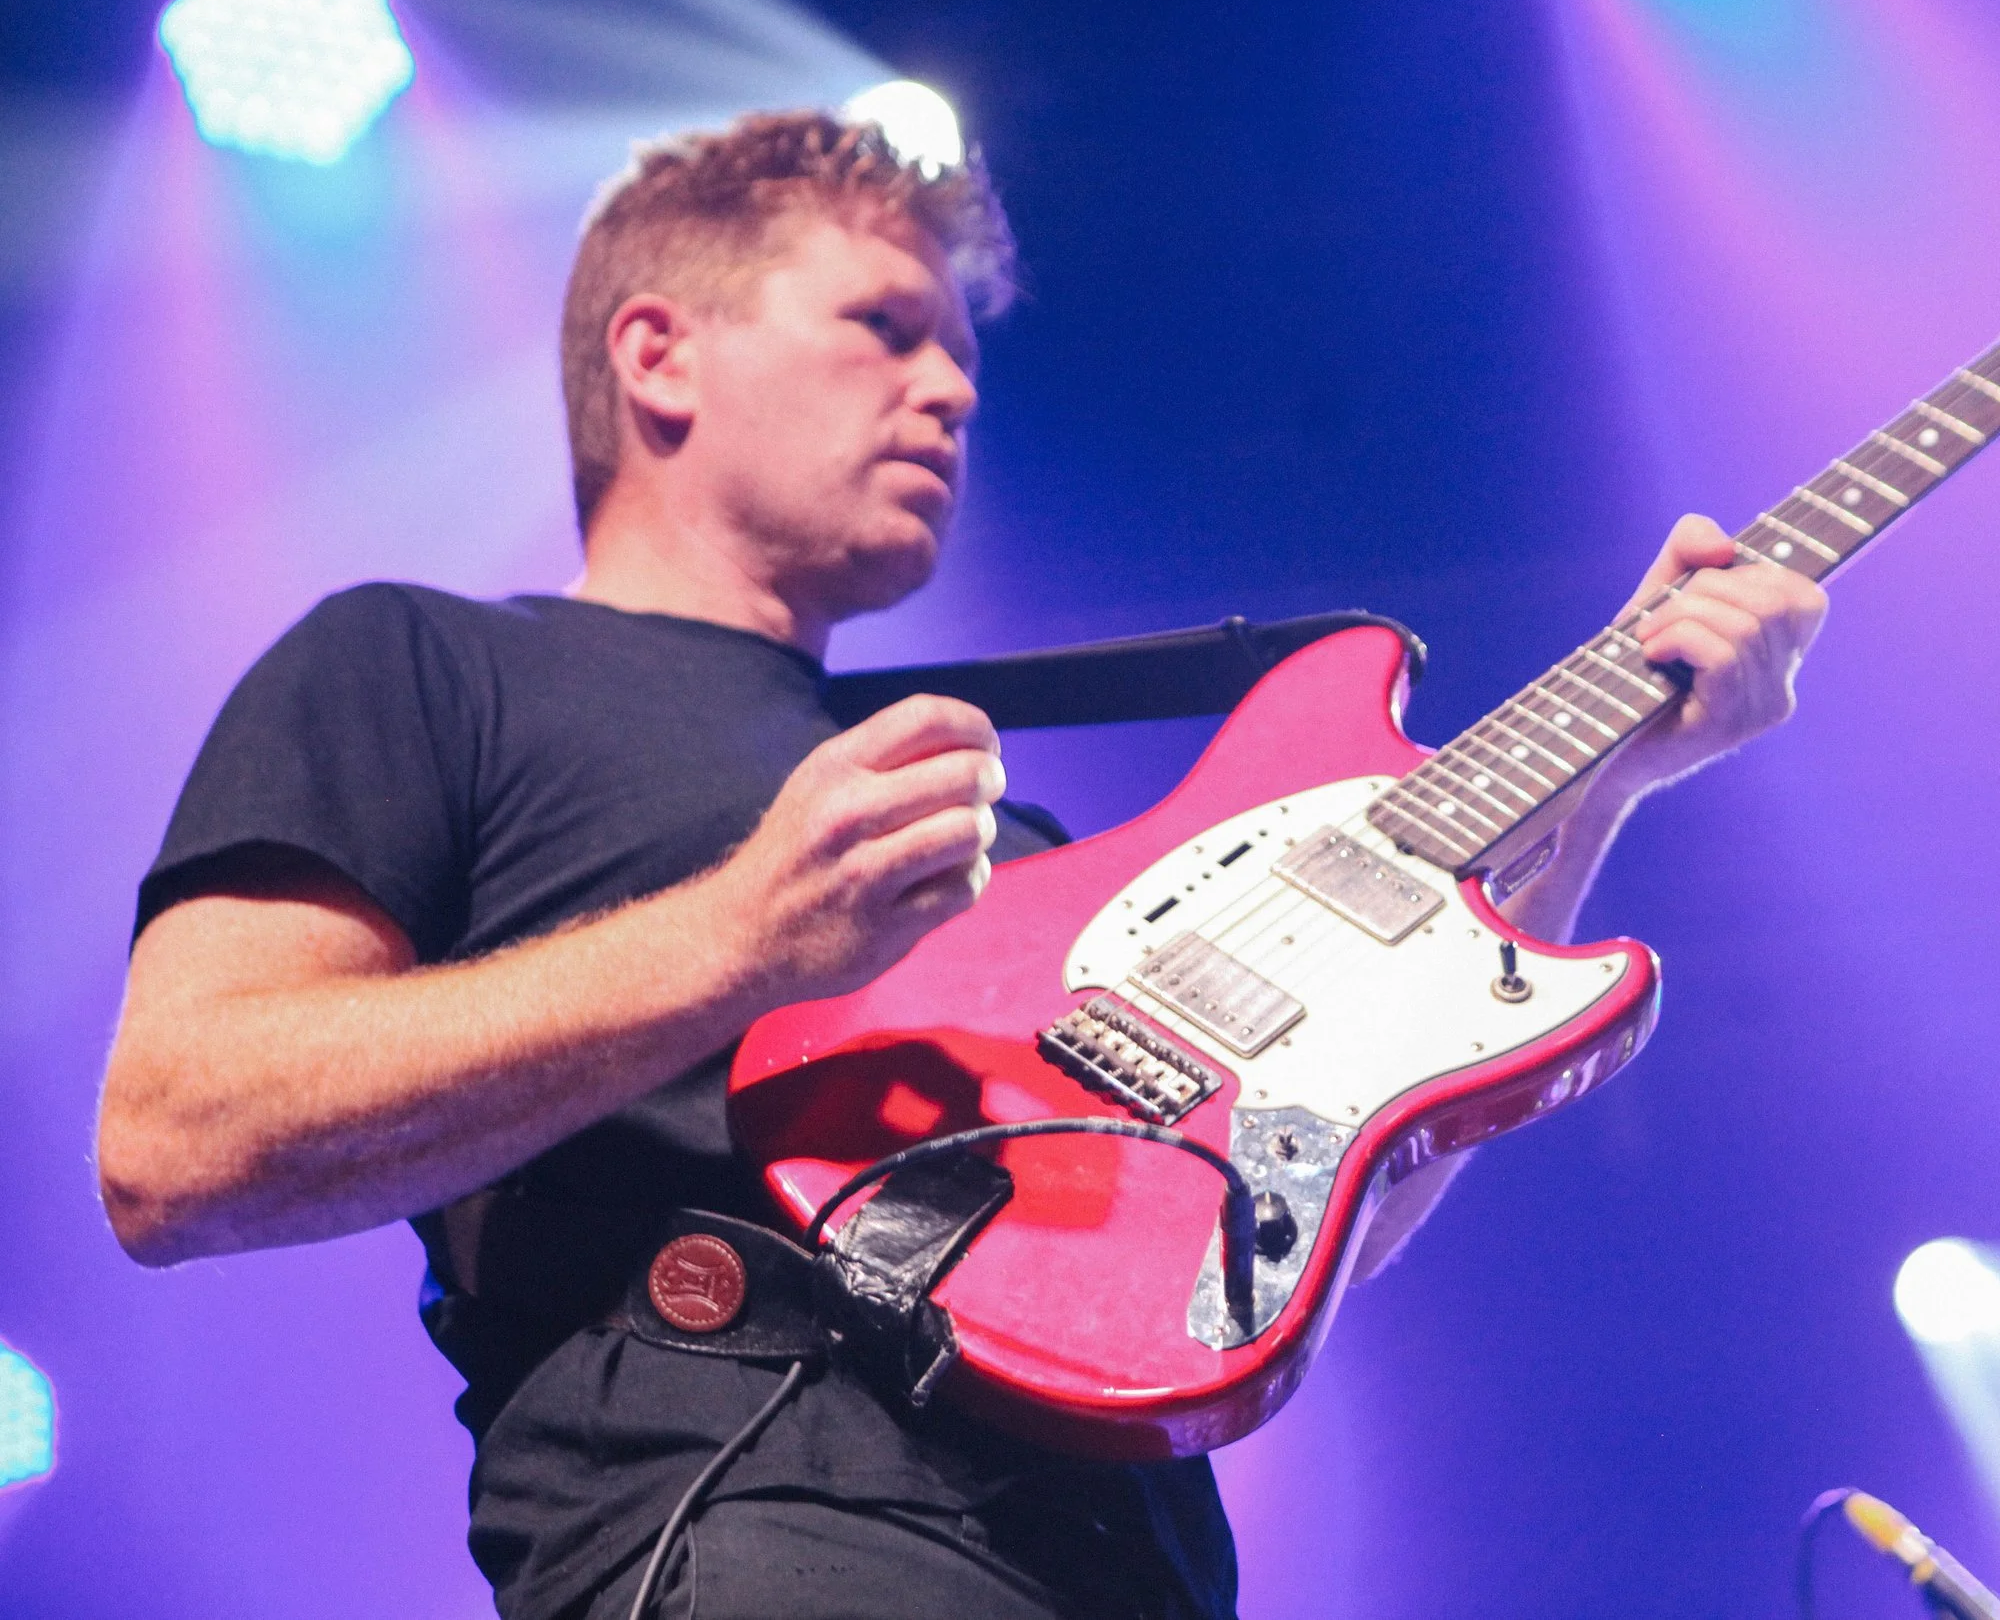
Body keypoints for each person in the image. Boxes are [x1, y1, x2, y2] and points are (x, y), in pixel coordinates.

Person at [95, 110, 1828, 1620]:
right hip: (766, 1530)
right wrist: (742, 938)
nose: (949, 388)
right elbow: (175, 1139)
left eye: (963, 356)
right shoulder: (424, 664)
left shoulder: (1015, 842)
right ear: (658, 355)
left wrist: (1604, 779)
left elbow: (1312, 1219)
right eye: (883, 326)